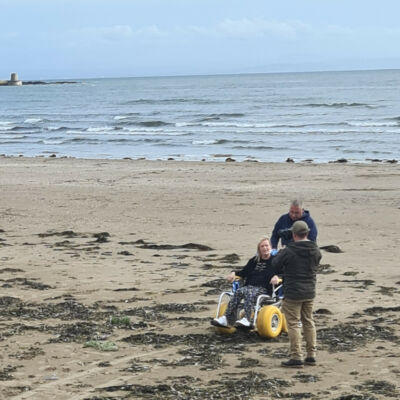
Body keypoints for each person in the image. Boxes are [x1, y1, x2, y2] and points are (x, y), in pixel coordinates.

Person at [271, 220, 322, 368]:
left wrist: (282, 251)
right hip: (309, 290)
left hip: (293, 290)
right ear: (307, 233)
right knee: (308, 321)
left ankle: (296, 356)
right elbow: (317, 262)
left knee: (293, 324)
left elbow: (275, 264)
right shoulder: (315, 249)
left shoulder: (289, 250)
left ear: (294, 234)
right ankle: (311, 355)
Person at [211, 238, 278, 328]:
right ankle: (226, 318)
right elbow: (243, 272)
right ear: (259, 249)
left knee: (248, 292)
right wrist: (234, 273)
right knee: (239, 291)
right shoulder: (254, 260)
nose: (265, 248)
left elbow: (284, 273)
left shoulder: (276, 261)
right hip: (249, 286)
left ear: (270, 247)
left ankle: (247, 319)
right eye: (262, 246)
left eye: (266, 245)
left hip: (264, 289)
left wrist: (277, 277)